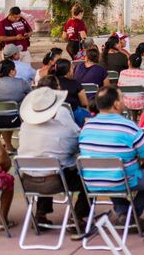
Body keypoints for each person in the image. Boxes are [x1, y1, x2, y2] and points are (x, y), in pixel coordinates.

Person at [78, 87, 144, 227]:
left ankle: (123, 212)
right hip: (121, 179)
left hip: (91, 180)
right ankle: (132, 214)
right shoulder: (129, 126)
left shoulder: (86, 126)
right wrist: (143, 163)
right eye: (121, 98)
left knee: (114, 170)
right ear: (116, 104)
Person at [17, 86, 89, 229]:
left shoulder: (25, 127)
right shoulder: (63, 130)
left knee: (44, 164)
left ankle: (41, 213)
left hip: (27, 181)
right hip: (55, 181)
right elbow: (77, 146)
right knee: (89, 179)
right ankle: (78, 216)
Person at [0, 59, 31, 152]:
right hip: (16, 120)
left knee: (5, 111)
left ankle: (9, 146)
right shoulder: (20, 83)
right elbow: (31, 95)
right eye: (14, 69)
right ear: (11, 72)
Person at [52, 58, 90, 127]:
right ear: (67, 71)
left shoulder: (51, 82)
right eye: (72, 69)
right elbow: (84, 103)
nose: (73, 70)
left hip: (54, 114)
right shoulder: (75, 83)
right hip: (74, 114)